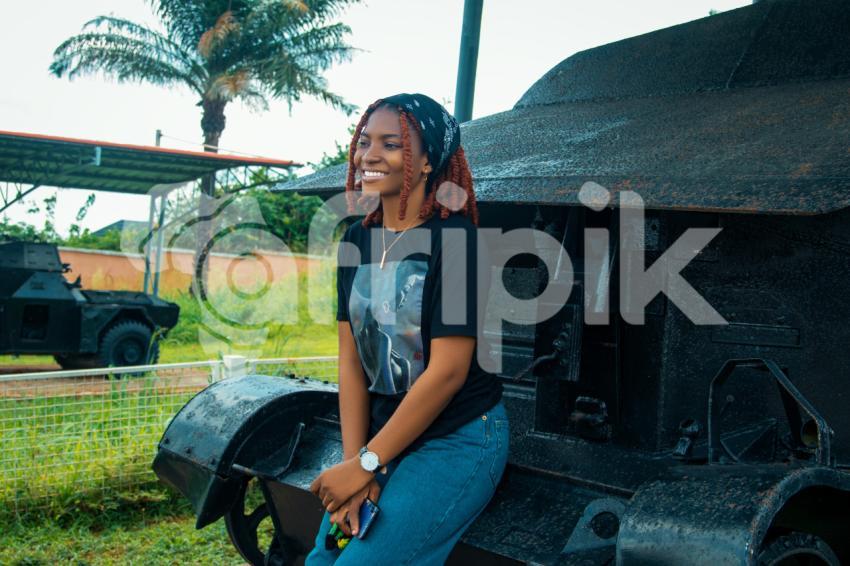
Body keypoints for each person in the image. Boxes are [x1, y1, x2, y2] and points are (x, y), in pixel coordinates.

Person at [306, 93, 509, 565]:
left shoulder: (458, 243)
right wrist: (357, 464)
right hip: (383, 436)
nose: (368, 156)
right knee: (322, 557)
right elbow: (352, 361)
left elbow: (448, 373)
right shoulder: (356, 239)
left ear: (424, 164)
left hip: (456, 437)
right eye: (364, 141)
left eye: (391, 144)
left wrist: (367, 464)